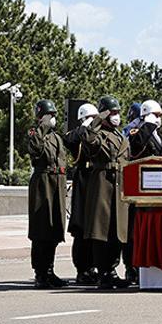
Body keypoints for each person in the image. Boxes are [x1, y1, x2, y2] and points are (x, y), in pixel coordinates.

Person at [81, 95, 130, 289]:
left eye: (118, 112)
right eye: (113, 113)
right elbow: (88, 140)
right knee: (102, 231)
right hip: (102, 184)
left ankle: (112, 269)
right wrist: (96, 120)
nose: (116, 116)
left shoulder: (120, 135)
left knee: (117, 231)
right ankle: (103, 272)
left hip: (119, 185)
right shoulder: (98, 133)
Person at [124, 99, 162, 284]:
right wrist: (148, 123)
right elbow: (135, 148)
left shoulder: (160, 136)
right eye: (156, 115)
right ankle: (132, 268)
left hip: (160, 192)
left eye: (159, 116)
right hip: (142, 191)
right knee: (135, 233)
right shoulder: (139, 132)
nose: (159, 119)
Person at [27, 99, 68, 289]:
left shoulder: (56, 137)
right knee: (41, 229)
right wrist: (42, 125)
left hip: (56, 183)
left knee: (54, 228)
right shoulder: (35, 133)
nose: (52, 119)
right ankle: (40, 273)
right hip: (42, 183)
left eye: (53, 115)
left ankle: (50, 270)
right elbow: (35, 149)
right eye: (48, 115)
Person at [62, 102, 98, 285]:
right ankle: (82, 269)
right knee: (81, 227)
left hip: (96, 181)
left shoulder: (98, 133)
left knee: (95, 228)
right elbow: (68, 141)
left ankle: (94, 267)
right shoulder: (77, 134)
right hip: (83, 181)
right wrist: (83, 126)